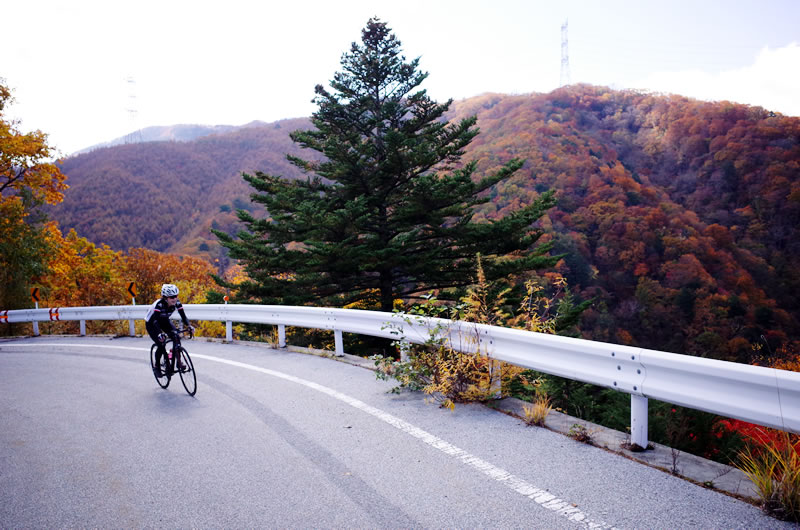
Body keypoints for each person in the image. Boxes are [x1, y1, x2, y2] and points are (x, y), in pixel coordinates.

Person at [145, 284, 192, 376]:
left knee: (176, 336)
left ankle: (178, 361)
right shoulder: (159, 305)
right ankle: (157, 366)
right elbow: (155, 321)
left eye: (176, 296)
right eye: (171, 297)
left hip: (164, 320)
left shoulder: (177, 303)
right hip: (152, 323)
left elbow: (183, 316)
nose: (174, 299)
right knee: (161, 344)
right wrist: (159, 334)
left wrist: (189, 326)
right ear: (166, 298)